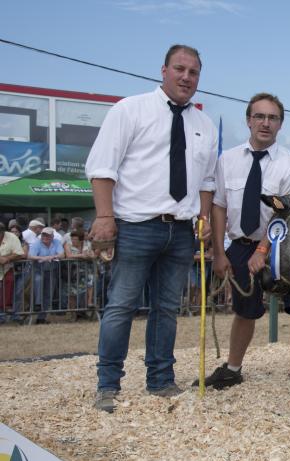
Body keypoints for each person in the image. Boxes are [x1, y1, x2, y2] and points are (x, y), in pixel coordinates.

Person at [86, 44, 217, 413]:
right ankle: (107, 384)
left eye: (193, 72)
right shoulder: (129, 110)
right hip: (135, 225)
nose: (186, 77)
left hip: (182, 230)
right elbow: (102, 167)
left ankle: (160, 380)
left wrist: (204, 218)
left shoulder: (204, 125)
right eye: (180, 69)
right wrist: (105, 216)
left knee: (167, 309)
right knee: (121, 305)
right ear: (163, 70)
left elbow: (207, 181)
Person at [195, 92, 290, 405]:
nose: (265, 123)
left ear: (280, 124)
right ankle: (232, 369)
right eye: (259, 116)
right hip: (240, 245)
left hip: (286, 247)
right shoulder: (226, 160)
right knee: (245, 312)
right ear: (248, 120)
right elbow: (218, 206)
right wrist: (219, 252)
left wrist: (264, 250)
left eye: (272, 118)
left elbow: (287, 210)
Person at [28, 227, 65, 324]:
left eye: (48, 235)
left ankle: (41, 318)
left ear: (52, 236)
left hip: (52, 270)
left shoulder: (56, 242)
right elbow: (30, 256)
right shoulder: (36, 243)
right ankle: (38, 303)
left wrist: (52, 257)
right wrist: (42, 258)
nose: (45, 237)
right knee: (38, 282)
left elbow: (62, 255)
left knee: (48, 294)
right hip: (38, 270)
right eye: (43, 235)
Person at [64, 229, 95, 319]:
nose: (73, 241)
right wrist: (81, 256)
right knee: (72, 293)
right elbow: (69, 255)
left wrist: (89, 256)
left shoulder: (88, 245)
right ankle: (73, 315)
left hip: (86, 270)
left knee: (90, 283)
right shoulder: (67, 245)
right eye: (72, 239)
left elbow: (93, 255)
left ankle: (89, 303)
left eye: (75, 239)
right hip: (72, 272)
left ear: (81, 240)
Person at [0, 223, 26, 323]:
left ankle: (5, 311)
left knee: (10, 283)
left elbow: (19, 253)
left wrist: (7, 258)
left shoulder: (12, 237)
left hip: (7, 268)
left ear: (2, 232)